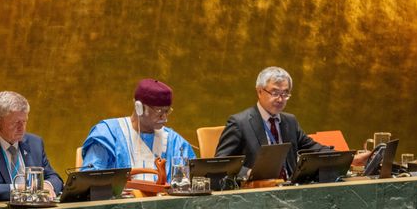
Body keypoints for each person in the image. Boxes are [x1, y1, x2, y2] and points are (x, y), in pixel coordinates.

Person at [215, 66, 369, 178]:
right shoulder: (240, 123)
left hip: (290, 190)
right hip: (256, 193)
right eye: (275, 92)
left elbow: (314, 148)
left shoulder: (290, 121)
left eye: (285, 94)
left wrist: (349, 159)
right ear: (259, 91)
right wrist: (248, 173)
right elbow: (220, 163)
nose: (280, 99)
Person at [81, 78, 195, 181]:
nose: (165, 118)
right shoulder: (108, 135)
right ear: (139, 107)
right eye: (159, 111)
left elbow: (189, 182)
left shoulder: (175, 142)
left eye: (167, 111)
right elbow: (90, 181)